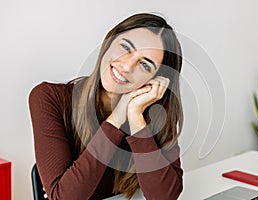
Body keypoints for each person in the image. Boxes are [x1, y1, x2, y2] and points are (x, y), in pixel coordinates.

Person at [29, 13, 183, 200]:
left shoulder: (155, 114)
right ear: (109, 41)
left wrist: (136, 119)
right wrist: (116, 119)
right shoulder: (49, 97)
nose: (127, 66)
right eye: (126, 47)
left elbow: (164, 197)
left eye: (145, 65)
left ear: (155, 81)